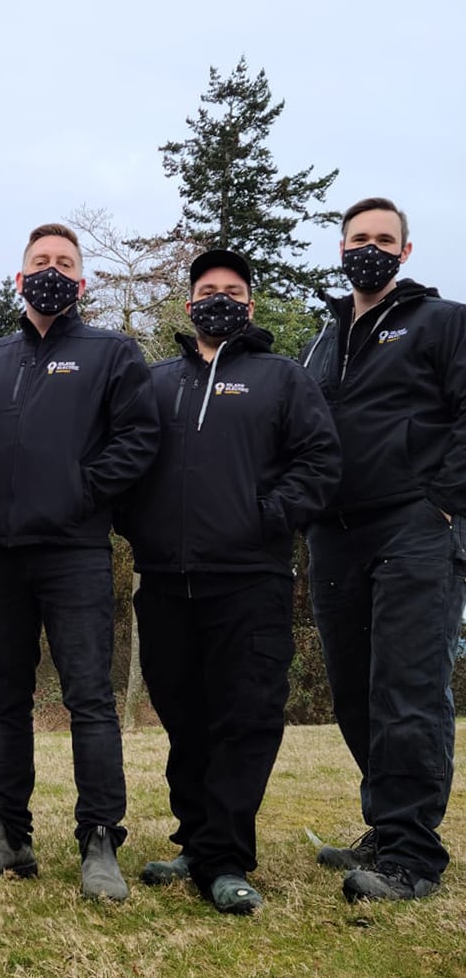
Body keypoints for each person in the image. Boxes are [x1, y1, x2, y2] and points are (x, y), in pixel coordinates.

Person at [119, 249, 340, 914]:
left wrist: (267, 517)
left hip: (250, 583)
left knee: (244, 721)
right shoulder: (155, 383)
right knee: (186, 721)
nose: (220, 298)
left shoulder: (281, 379)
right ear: (189, 305)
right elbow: (123, 464)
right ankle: (195, 840)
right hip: (164, 585)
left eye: (233, 290)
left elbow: (320, 461)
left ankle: (227, 860)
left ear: (248, 303)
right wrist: (141, 528)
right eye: (208, 288)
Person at [0, 223, 159, 902]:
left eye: (65, 262)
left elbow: (138, 440)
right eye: (40, 261)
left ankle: (100, 839)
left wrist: (80, 494)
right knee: (5, 702)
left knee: (90, 701)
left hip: (75, 554)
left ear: (81, 281)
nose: (52, 270)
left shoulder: (111, 353)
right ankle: (9, 836)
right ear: (19, 277)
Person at [302, 198, 466, 902]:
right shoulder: (321, 340)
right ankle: (385, 825)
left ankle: (412, 853)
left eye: (382, 239)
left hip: (415, 526)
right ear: (341, 251)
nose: (369, 247)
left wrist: (443, 502)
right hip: (334, 535)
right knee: (355, 691)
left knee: (408, 688)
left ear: (404, 252)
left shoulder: (444, 323)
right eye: (357, 238)